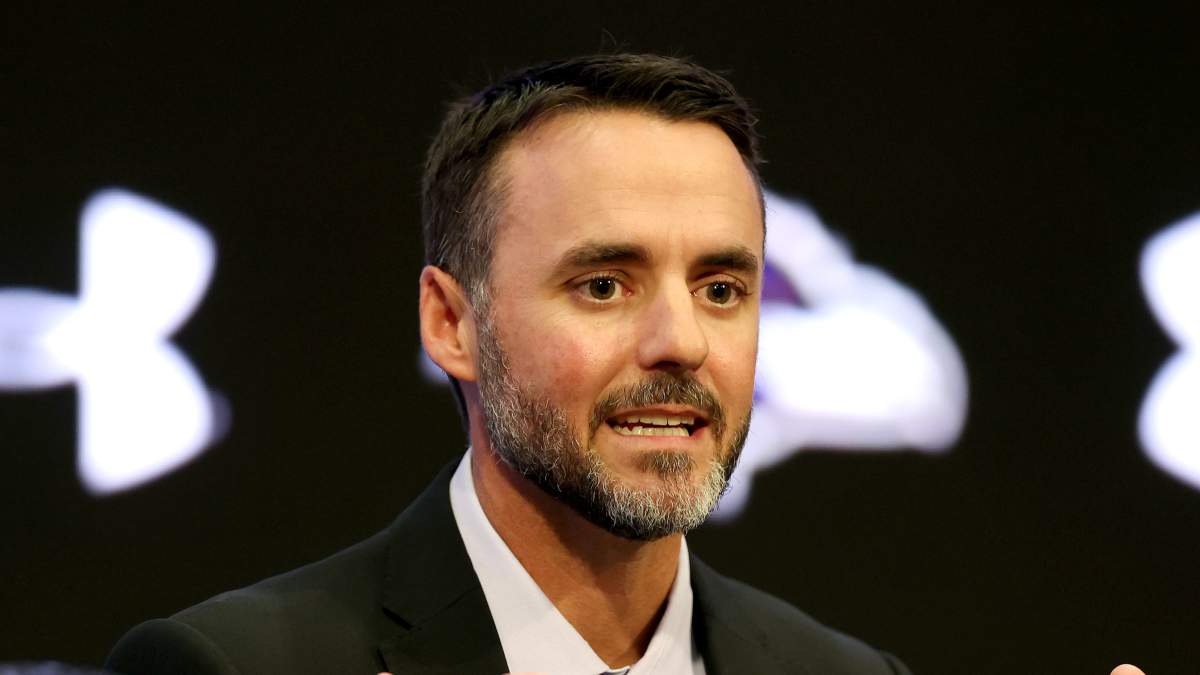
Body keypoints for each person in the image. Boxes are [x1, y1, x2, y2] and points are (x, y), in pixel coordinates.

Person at [104, 54, 1144, 675]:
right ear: (451, 322)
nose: (681, 340)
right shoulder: (234, 667)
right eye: (604, 283)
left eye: (724, 288)